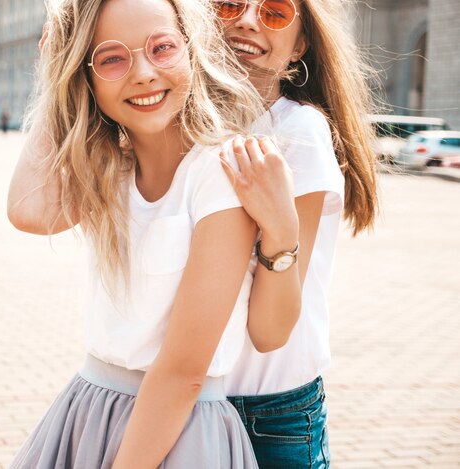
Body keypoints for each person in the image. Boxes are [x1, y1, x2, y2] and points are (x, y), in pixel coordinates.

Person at [6, 0, 302, 467]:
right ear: (86, 78)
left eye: (162, 48)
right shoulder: (109, 168)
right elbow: (28, 211)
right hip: (88, 411)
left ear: (193, 50)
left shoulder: (220, 171)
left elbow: (184, 372)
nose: (142, 73)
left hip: (175, 430)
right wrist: (54, 75)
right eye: (111, 58)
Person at [212, 0, 379, 467]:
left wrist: (279, 226)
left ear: (300, 45)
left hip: (268, 413)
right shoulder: (180, 126)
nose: (246, 20)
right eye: (229, 4)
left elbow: (269, 331)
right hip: (189, 399)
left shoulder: (298, 131)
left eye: (274, 12)